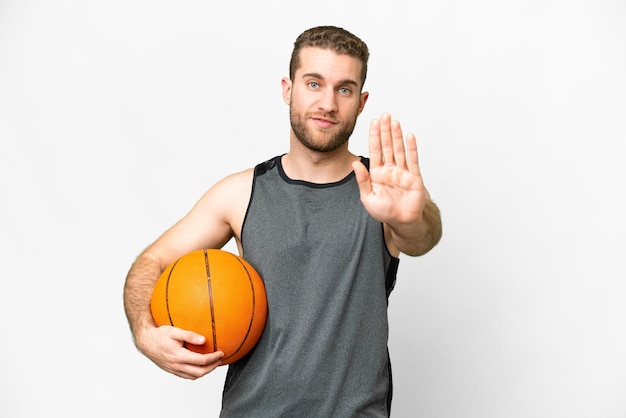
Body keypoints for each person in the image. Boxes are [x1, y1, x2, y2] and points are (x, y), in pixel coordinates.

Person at [124, 25, 442, 417]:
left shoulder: (382, 191)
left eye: (344, 89)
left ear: (361, 103)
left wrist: (413, 216)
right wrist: (144, 332)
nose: (327, 103)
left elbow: (421, 237)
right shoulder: (240, 194)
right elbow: (152, 262)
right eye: (313, 83)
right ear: (287, 88)